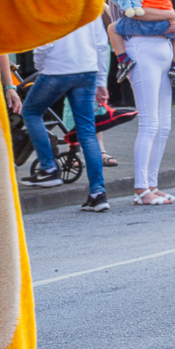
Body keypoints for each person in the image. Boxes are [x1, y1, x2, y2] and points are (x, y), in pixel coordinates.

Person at [20, 15, 110, 212]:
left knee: (31, 112)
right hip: (87, 71)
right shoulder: (90, 6)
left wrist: (39, 65)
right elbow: (102, 45)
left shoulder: (54, 1)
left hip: (57, 69)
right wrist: (102, 81)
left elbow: (44, 42)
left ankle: (48, 169)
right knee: (87, 131)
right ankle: (98, 193)